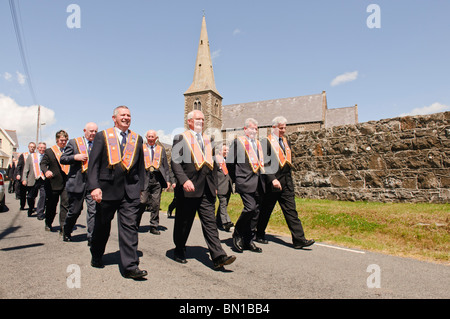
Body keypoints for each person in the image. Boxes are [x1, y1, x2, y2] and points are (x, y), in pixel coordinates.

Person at [87, 105, 147, 280]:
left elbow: (141, 166)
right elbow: (94, 164)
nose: (126, 118)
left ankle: (130, 266)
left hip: (130, 191)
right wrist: (94, 187)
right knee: (102, 226)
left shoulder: (137, 139)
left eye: (129, 115)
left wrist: (141, 188)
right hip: (106, 190)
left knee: (130, 228)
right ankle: (97, 254)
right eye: (123, 115)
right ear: (114, 118)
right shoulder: (102, 136)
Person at [171, 110, 236, 269]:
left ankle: (218, 256)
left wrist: (214, 186)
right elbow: (175, 162)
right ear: (190, 121)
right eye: (198, 119)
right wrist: (184, 180)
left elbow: (212, 166)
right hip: (189, 188)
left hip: (206, 189)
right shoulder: (181, 138)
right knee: (184, 222)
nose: (201, 121)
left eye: (203, 119)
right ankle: (179, 248)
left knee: (210, 223)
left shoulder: (209, 140)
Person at [256, 116, 315, 249]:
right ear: (274, 127)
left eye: (284, 128)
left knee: (291, 211)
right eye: (281, 128)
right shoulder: (266, 142)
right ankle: (258, 233)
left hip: (287, 182)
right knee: (266, 210)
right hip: (273, 183)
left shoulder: (285, 141)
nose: (284, 130)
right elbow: (264, 162)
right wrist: (273, 179)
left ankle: (299, 239)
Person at [226, 118, 265, 253]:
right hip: (244, 180)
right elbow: (230, 163)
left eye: (256, 128)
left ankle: (249, 240)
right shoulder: (239, 142)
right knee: (250, 208)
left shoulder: (259, 144)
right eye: (251, 128)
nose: (254, 131)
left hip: (258, 182)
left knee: (256, 212)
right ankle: (237, 233)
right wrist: (236, 178)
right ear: (245, 129)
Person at [60, 122, 98, 244]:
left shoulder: (98, 144)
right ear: (84, 130)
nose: (93, 133)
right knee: (75, 211)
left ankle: (91, 237)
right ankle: (67, 230)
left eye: (95, 131)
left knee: (93, 211)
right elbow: (63, 159)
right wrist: (75, 157)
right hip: (77, 182)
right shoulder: (74, 142)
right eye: (91, 131)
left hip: (92, 184)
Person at [137, 130, 171, 234]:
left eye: (153, 137)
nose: (151, 138)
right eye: (149, 137)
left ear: (156, 138)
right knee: (142, 202)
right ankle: (135, 223)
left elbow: (165, 166)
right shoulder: (141, 148)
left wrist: (167, 180)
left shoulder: (161, 149)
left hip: (157, 179)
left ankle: (154, 225)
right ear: (146, 137)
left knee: (156, 203)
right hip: (145, 178)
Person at [40, 131, 69, 233]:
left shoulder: (69, 150)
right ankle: (48, 222)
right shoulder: (50, 151)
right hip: (53, 183)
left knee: (65, 205)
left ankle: (63, 227)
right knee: (52, 205)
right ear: (57, 140)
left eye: (65, 140)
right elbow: (43, 164)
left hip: (66, 182)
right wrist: (46, 171)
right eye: (61, 140)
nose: (63, 142)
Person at [22, 142, 46, 219]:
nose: (42, 149)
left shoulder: (46, 156)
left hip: (43, 179)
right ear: (38, 148)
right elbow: (26, 169)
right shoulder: (31, 156)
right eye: (41, 148)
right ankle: (31, 207)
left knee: (43, 196)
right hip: (33, 178)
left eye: (43, 148)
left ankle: (40, 213)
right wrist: (24, 179)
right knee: (30, 196)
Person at [215, 143, 234, 232]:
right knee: (223, 204)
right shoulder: (216, 160)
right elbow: (213, 175)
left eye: (228, 150)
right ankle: (226, 222)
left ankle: (217, 222)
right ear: (220, 151)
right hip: (220, 186)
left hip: (228, 186)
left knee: (224, 204)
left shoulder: (229, 161)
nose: (227, 151)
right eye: (225, 150)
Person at [16, 142, 36, 210]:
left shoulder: (36, 156)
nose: (32, 148)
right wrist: (18, 174)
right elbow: (19, 166)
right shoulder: (24, 155)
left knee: (32, 194)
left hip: (32, 177)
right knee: (23, 193)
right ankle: (22, 205)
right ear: (28, 147)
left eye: (33, 147)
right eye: (31, 146)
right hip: (23, 177)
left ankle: (31, 206)